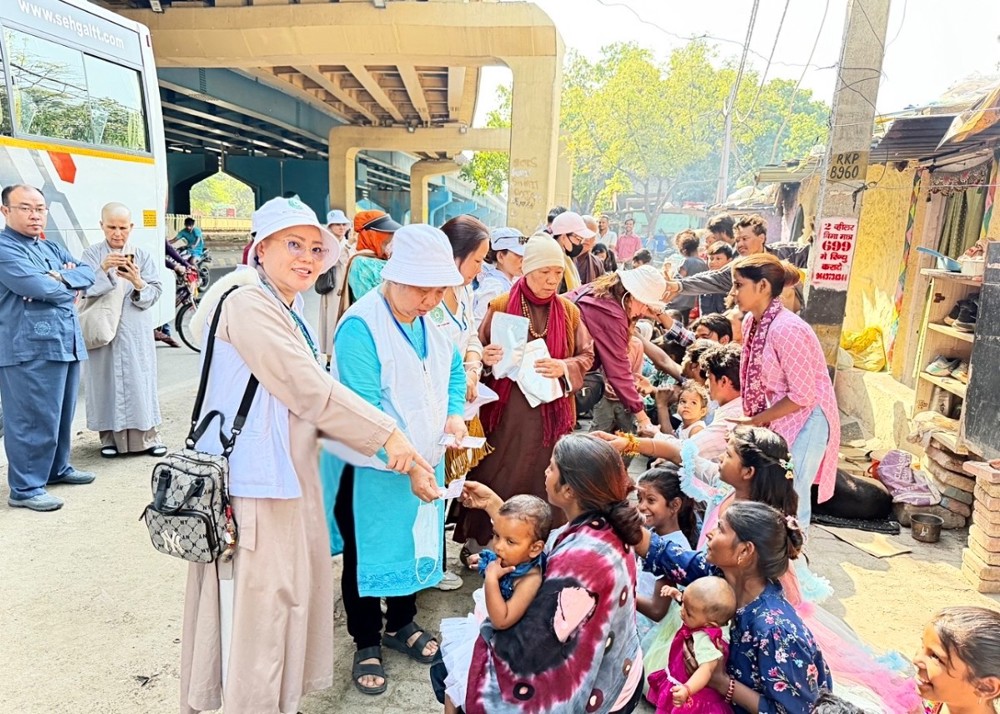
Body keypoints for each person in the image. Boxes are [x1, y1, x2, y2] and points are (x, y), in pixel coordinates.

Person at [178, 195, 433, 713]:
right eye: (294, 245)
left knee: (282, 605)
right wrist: (388, 434)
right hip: (253, 482)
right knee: (260, 614)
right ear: (261, 248)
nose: (307, 258)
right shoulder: (248, 303)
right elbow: (307, 387)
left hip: (282, 474)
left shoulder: (283, 303)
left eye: (316, 249)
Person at [322, 224, 469, 695]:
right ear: (395, 276)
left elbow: (453, 370)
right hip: (373, 467)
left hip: (425, 459)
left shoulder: (432, 321)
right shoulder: (361, 327)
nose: (431, 300)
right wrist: (409, 462)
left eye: (439, 290)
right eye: (422, 289)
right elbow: (363, 408)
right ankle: (366, 639)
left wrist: (453, 413)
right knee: (366, 552)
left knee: (412, 541)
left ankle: (402, 622)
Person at [438, 434, 647, 713]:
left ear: (569, 491)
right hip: (622, 666)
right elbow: (539, 550)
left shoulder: (581, 560)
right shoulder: (604, 524)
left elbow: (530, 646)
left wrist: (490, 589)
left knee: (453, 673)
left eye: (551, 468)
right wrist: (493, 505)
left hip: (603, 688)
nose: (545, 472)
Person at [451, 234, 595, 560]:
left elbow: (587, 355)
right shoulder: (501, 306)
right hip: (507, 418)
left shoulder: (569, 312)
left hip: (550, 417)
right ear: (527, 270)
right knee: (499, 474)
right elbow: (476, 350)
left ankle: (538, 548)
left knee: (545, 479)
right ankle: (484, 545)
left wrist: (563, 366)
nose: (551, 280)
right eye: (544, 272)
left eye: (557, 273)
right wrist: (485, 357)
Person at [637, 501, 832, 712]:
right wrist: (621, 517)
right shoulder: (717, 574)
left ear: (745, 551)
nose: (709, 533)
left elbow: (794, 710)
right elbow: (668, 556)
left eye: (720, 529)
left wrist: (721, 682)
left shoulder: (775, 630)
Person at [0, 184, 96, 512]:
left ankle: (56, 468)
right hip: (26, 347)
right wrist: (64, 284)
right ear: (5, 211)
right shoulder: (4, 249)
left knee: (60, 414)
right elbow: (38, 287)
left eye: (40, 208)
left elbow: (88, 273)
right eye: (26, 208)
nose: (35, 215)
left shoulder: (50, 246)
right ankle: (25, 488)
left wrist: (59, 278)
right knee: (30, 418)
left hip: (64, 341)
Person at [728, 253, 840, 529]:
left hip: (808, 418)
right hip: (781, 415)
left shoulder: (787, 328)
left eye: (739, 285)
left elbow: (803, 395)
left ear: (763, 286)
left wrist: (757, 419)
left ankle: (795, 554)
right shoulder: (751, 322)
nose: (733, 292)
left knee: (793, 492)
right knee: (773, 489)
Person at [438, 495, 551, 711]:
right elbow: (497, 561)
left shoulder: (529, 579)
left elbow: (501, 620)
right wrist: (484, 560)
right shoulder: (515, 558)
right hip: (482, 629)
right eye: (496, 536)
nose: (498, 546)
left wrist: (491, 578)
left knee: (466, 688)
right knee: (454, 687)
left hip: (502, 647)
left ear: (535, 548)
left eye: (510, 541)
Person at [79, 202, 165, 458]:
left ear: (131, 227)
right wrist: (103, 269)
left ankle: (148, 438)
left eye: (123, 227)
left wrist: (138, 282)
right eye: (112, 227)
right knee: (104, 381)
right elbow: (83, 289)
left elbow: (156, 290)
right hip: (104, 328)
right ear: (102, 226)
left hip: (134, 328)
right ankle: (108, 439)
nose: (117, 233)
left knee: (140, 380)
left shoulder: (142, 255)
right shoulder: (91, 255)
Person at [568, 267, 665, 437]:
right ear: (631, 296)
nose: (643, 312)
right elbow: (619, 372)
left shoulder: (595, 289)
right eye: (644, 304)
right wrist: (643, 419)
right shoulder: (612, 314)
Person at [434, 215, 490, 484]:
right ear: (454, 255)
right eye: (477, 261)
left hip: (465, 405)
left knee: (455, 482)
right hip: (438, 407)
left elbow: (472, 337)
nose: (480, 269)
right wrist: (459, 378)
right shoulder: (427, 298)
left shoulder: (464, 291)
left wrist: (473, 369)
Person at [662, 214, 809, 304]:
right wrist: (679, 285)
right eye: (738, 240)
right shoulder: (739, 267)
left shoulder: (784, 253)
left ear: (761, 238)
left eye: (745, 239)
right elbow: (713, 278)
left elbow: (812, 254)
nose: (740, 244)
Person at [646, 576, 736, 714]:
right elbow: (695, 607)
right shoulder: (707, 619)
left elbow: (707, 670)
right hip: (680, 683)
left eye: (688, 613)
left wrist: (687, 689)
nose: (682, 611)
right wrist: (677, 595)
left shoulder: (706, 640)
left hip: (693, 698)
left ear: (709, 625)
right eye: (683, 604)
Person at [916, 607, 1000, 714]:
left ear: (986, 687)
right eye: (923, 646)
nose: (916, 660)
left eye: (936, 657)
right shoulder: (936, 701)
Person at [343, 209, 402, 306]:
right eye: (384, 235)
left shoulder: (382, 258)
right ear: (370, 235)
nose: (390, 238)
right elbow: (369, 300)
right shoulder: (360, 262)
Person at [473, 227, 526, 325]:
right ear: (501, 256)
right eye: (518, 255)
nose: (522, 260)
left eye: (524, 255)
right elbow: (478, 323)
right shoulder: (494, 286)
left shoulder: (512, 281)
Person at [316, 208, 352, 351]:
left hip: (347, 284)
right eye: (337, 224)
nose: (341, 227)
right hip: (333, 284)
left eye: (343, 224)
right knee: (332, 317)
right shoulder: (325, 244)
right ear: (330, 226)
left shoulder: (348, 242)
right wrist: (348, 247)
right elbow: (333, 260)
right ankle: (331, 352)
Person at [550, 211, 594, 293]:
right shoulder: (553, 260)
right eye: (578, 239)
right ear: (563, 237)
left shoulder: (568, 259)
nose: (580, 244)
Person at [666, 230, 707, 318]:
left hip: (678, 305)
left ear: (684, 250)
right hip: (693, 305)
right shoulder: (704, 264)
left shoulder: (686, 262)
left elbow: (676, 282)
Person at [575, 214, 607, 284]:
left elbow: (602, 287)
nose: (587, 239)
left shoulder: (597, 263)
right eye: (585, 233)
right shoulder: (563, 258)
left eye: (591, 235)